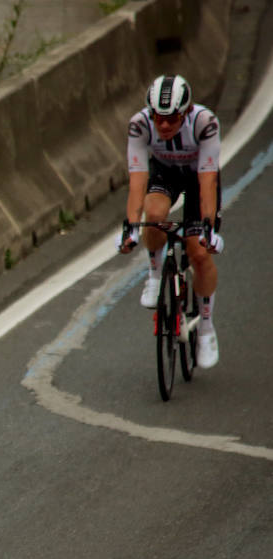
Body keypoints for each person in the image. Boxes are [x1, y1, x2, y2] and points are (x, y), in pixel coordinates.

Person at [117, 73, 223, 368]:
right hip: (164, 173)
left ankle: (205, 328)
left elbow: (207, 181)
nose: (163, 125)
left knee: (199, 252)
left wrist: (207, 228)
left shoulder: (205, 123)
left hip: (198, 178)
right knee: (153, 217)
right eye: (157, 117)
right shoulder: (139, 125)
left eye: (172, 118)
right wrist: (130, 227)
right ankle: (154, 274)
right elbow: (138, 180)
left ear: (187, 112)